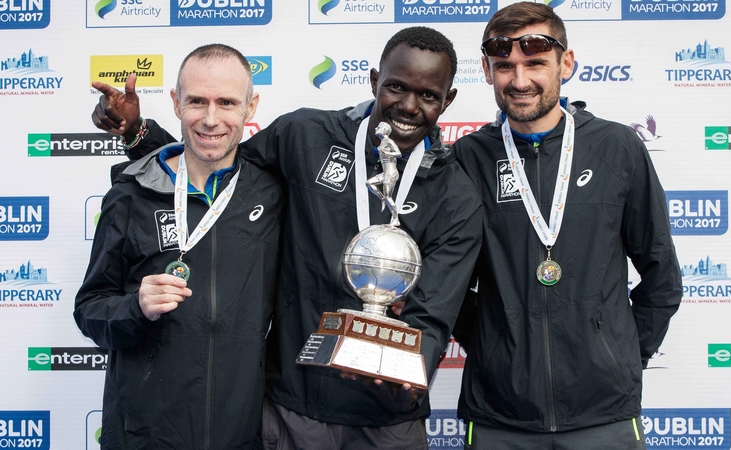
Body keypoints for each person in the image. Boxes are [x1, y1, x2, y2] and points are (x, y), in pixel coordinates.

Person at [91, 27, 483, 450]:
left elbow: (434, 313)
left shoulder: (457, 195)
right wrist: (139, 136)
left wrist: (402, 375)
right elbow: (213, 175)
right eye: (396, 87)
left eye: (428, 95)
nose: (408, 106)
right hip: (295, 410)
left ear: (449, 100)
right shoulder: (305, 135)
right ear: (374, 82)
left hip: (387, 422)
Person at [452, 3, 682, 449]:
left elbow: (662, 274)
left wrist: (619, 357)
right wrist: (495, 348)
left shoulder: (616, 148)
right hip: (501, 417)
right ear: (486, 69)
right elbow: (447, 281)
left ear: (566, 63)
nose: (520, 81)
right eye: (505, 67)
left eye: (535, 63)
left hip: (604, 415)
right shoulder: (468, 159)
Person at [74, 44, 283, 449]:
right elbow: (89, 310)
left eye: (226, 102)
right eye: (196, 101)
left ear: (251, 106)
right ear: (174, 103)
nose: (210, 118)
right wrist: (135, 307)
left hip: (240, 434)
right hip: (145, 435)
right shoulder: (130, 195)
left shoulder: (273, 193)